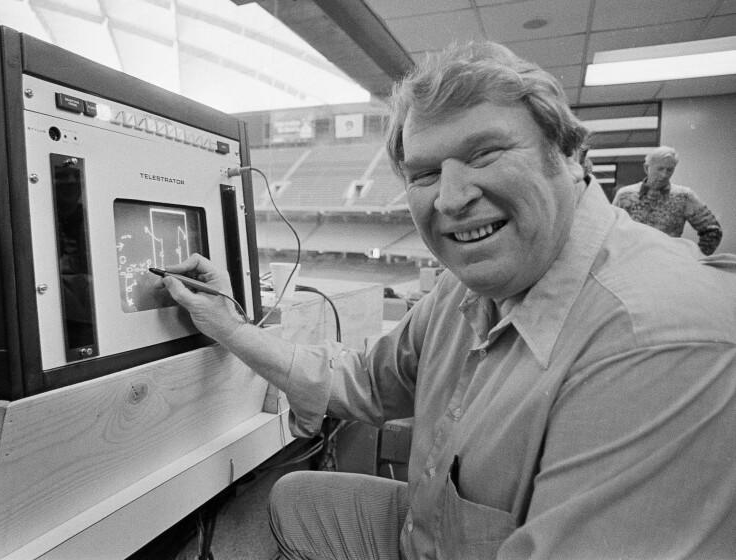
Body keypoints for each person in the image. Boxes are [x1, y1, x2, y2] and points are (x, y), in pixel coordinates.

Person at [159, 42, 736, 559]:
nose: (452, 199)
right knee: (291, 496)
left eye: (484, 154)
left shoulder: (655, 337)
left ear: (570, 154)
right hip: (432, 537)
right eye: (426, 173)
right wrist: (232, 326)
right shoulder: (466, 288)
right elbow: (365, 381)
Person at [612, 146, 722, 254]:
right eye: (660, 169)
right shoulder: (625, 195)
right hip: (631, 260)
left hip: (668, 262)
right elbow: (611, 231)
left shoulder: (684, 196)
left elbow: (713, 230)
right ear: (646, 168)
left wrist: (697, 258)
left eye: (669, 170)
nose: (664, 175)